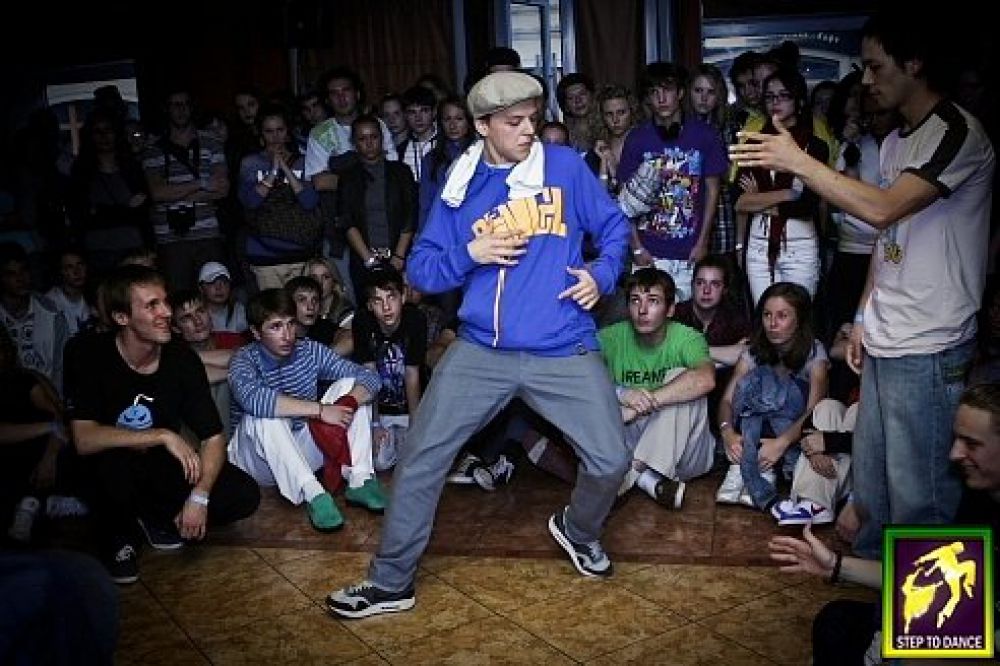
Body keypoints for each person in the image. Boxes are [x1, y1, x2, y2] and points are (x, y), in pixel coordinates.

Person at [326, 71, 630, 618]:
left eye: (533, 119)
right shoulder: (461, 183)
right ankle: (391, 582)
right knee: (420, 457)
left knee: (611, 460)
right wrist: (472, 253)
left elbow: (614, 229)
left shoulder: (563, 167)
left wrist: (601, 275)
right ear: (483, 126)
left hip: (562, 344)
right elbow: (421, 270)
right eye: (514, 122)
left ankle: (578, 530)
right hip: (481, 351)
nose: (529, 130)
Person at [729, 11, 996, 558]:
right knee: (872, 490)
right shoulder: (898, 140)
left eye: (875, 67)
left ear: (914, 63)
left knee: (921, 499)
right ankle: (875, 594)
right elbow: (888, 239)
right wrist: (862, 317)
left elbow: (881, 209)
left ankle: (926, 615)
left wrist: (799, 162)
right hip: (884, 337)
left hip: (932, 342)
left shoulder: (958, 132)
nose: (866, 80)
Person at [769, 382, 1000, 665]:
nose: (954, 454)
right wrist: (835, 565)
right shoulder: (977, 496)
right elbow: (933, 579)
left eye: (972, 444)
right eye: (956, 440)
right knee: (836, 622)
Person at [65, 265, 260, 584]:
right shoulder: (89, 354)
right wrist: (162, 435)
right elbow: (83, 438)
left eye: (165, 302)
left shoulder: (181, 359)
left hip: (158, 465)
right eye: (151, 305)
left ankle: (157, 517)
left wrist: (200, 496)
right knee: (109, 465)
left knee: (242, 494)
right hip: (108, 464)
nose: (166, 312)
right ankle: (120, 536)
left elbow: (212, 437)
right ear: (121, 317)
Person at [227, 288, 384, 531]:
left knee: (350, 385)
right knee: (264, 415)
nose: (287, 335)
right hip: (255, 463)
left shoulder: (308, 350)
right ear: (256, 332)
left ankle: (360, 479)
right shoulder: (244, 359)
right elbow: (254, 400)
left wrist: (349, 402)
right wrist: (320, 410)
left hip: (299, 448)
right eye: (276, 327)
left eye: (290, 324)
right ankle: (315, 495)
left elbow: (370, 377)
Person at [600, 268, 716, 508]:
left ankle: (630, 473)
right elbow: (579, 379)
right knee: (595, 391)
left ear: (670, 309)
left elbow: (706, 379)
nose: (642, 310)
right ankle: (648, 479)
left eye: (653, 301)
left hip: (687, 455)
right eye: (635, 301)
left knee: (682, 377)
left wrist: (643, 404)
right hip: (629, 441)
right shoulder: (610, 338)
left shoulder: (688, 338)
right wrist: (622, 393)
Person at [715, 282, 829, 512]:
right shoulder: (754, 350)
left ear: (799, 319)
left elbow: (814, 410)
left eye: (782, 316)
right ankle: (743, 465)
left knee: (783, 385)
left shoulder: (814, 353)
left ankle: (763, 469)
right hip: (749, 429)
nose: (773, 324)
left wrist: (780, 443)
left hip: (788, 435)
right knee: (754, 381)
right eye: (767, 315)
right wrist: (727, 432)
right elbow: (727, 400)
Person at [735, 68, 828, 306]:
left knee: (798, 316)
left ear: (798, 101)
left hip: (800, 244)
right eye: (769, 96)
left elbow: (806, 206)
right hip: (759, 243)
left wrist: (759, 200)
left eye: (783, 95)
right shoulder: (753, 144)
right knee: (764, 316)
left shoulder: (815, 147)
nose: (775, 102)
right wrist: (786, 194)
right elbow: (740, 202)